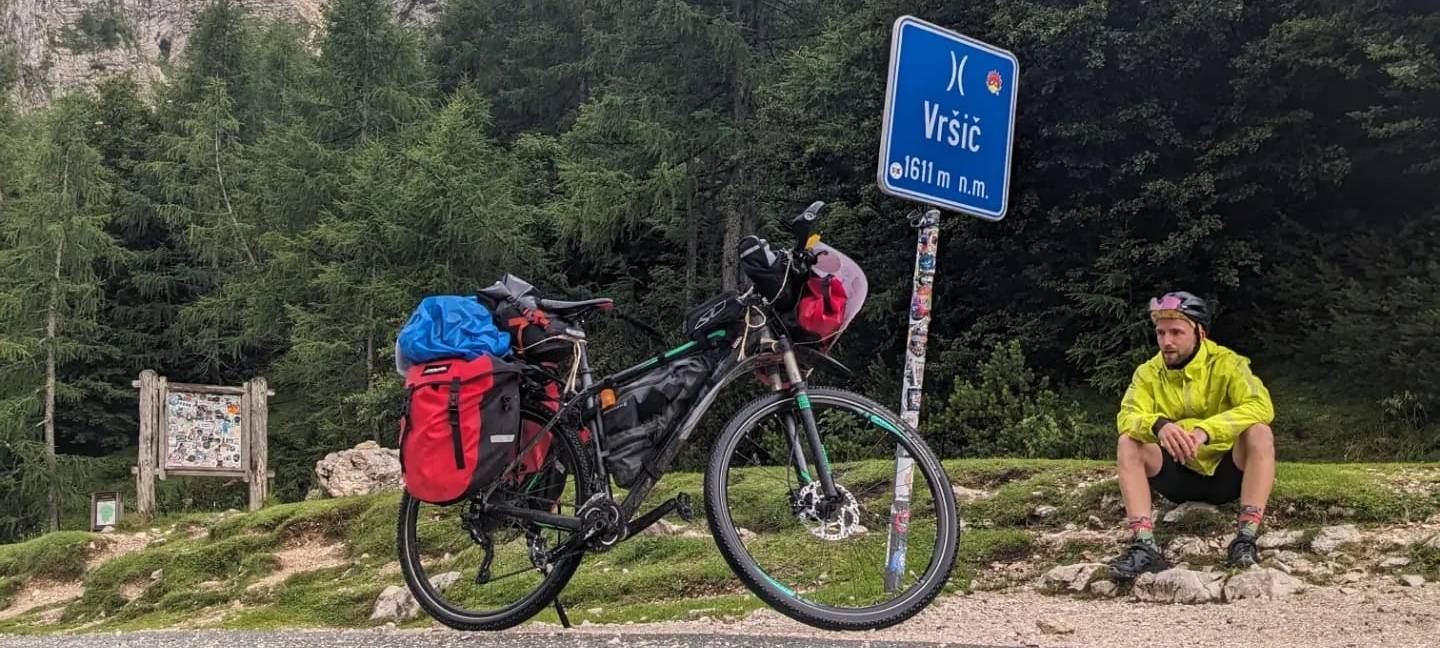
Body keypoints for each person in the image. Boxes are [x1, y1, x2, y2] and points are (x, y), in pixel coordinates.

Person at [1107, 291, 1276, 579]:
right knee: (1128, 441)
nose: (1166, 341)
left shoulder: (1228, 363)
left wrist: (1206, 431)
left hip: (1226, 472)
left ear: (1200, 333)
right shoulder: (1147, 372)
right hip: (1176, 474)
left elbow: (1261, 405)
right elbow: (1127, 416)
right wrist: (1159, 425)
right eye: (1160, 333)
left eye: (1176, 332)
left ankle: (1245, 539)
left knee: (1260, 432)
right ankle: (1144, 546)